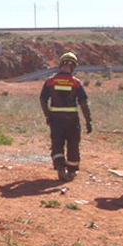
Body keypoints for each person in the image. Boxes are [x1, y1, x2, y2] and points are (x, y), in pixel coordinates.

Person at [39, 52, 92, 181]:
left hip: (55, 119)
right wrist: (88, 121)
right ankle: (72, 170)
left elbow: (43, 99)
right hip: (72, 120)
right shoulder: (76, 83)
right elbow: (83, 103)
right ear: (73, 66)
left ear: (60, 64)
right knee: (73, 144)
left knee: (57, 143)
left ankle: (60, 167)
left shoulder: (50, 81)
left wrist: (47, 115)